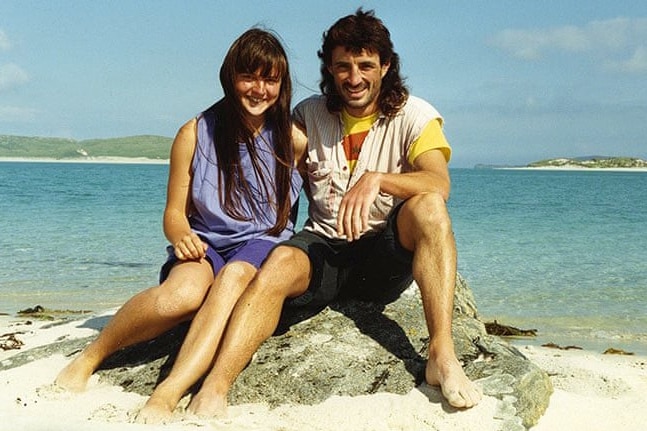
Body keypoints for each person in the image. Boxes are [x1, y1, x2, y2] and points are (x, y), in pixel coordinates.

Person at [172, 8, 482, 418]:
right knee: (280, 258)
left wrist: (378, 179)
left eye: (366, 65)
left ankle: (442, 354)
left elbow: (438, 184)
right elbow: (255, 145)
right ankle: (216, 384)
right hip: (324, 246)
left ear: (386, 66)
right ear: (330, 69)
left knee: (428, 208)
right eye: (343, 67)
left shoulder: (416, 116)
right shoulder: (307, 115)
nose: (354, 78)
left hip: (384, 254)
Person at [54, 28, 304, 421]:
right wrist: (181, 235)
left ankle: (166, 392)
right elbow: (173, 212)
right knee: (181, 297)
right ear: (230, 76)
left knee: (234, 278)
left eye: (270, 80)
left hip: (261, 243)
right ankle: (93, 354)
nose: (259, 89)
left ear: (281, 83)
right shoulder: (194, 132)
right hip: (204, 242)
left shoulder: (292, 138)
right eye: (249, 77)